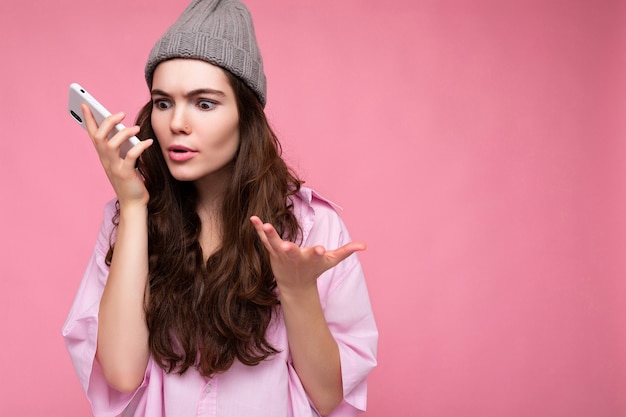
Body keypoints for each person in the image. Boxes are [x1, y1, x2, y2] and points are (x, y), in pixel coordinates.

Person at [62, 0, 378, 416]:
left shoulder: (313, 226)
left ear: (246, 116)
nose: (177, 122)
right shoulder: (128, 220)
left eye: (204, 103)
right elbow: (121, 374)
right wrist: (134, 205)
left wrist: (298, 290)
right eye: (163, 102)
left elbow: (327, 396)